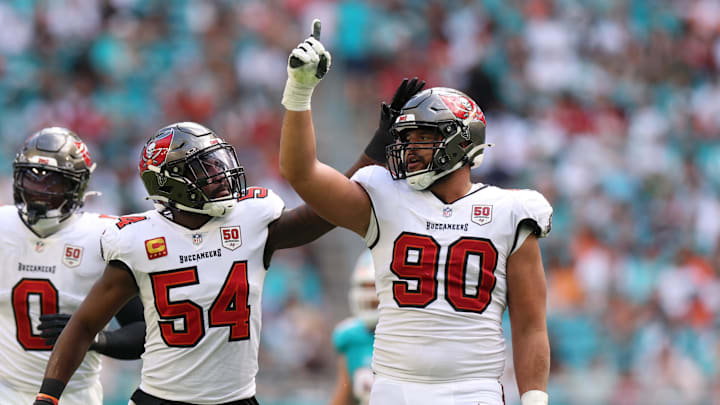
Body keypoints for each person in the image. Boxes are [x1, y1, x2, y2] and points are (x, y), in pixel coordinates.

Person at [280, 20, 552, 405]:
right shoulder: (383, 194)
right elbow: (301, 173)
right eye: (407, 138)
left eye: (424, 137)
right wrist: (300, 90)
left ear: (462, 142)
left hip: (474, 390)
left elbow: (529, 325)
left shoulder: (509, 210)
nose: (411, 149)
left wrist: (535, 399)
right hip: (394, 388)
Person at [33, 120, 379, 405]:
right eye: (205, 168)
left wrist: (373, 152)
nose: (220, 175)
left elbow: (326, 210)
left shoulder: (251, 220)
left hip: (238, 399)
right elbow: (83, 325)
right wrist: (47, 397)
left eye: (218, 163)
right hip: (160, 399)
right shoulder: (137, 240)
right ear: (170, 182)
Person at [0, 127, 145, 405]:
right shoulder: (3, 226)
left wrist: (95, 338)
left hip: (73, 396)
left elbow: (143, 331)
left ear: (76, 186)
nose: (39, 192)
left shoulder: (102, 237)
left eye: (52, 182)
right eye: (32, 179)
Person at [329, 250, 378, 405]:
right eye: (365, 286)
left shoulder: (411, 335)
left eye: (375, 287)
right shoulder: (351, 338)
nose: (371, 297)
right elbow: (344, 397)